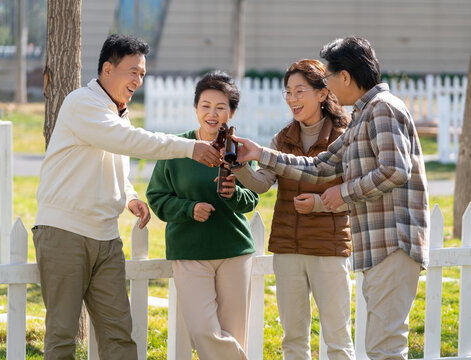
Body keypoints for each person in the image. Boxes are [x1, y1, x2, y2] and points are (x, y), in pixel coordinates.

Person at [232, 37, 429, 360]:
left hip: (393, 243)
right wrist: (258, 153)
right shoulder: (363, 116)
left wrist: (342, 193)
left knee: (386, 349)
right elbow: (320, 166)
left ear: (345, 78)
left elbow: (395, 169)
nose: (329, 87)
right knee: (382, 346)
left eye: (329, 79)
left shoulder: (382, 109)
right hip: (380, 245)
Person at [32, 34, 220, 360]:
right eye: (132, 71)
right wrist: (190, 148)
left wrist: (130, 196)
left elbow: (112, 158)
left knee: (119, 337)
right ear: (107, 69)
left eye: (142, 73)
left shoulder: (117, 111)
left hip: (106, 237)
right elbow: (128, 141)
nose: (138, 80)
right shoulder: (82, 103)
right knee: (62, 336)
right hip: (65, 233)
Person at [232, 59, 354, 359]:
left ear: (322, 94)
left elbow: (358, 190)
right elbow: (261, 183)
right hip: (288, 249)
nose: (292, 99)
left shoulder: (345, 136)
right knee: (293, 339)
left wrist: (318, 205)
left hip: (329, 247)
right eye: (288, 92)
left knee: (337, 339)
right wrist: (238, 167)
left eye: (300, 91)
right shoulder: (283, 138)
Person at [146, 70, 259, 360]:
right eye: (205, 105)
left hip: (234, 251)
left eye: (221, 107)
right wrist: (188, 209)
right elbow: (157, 197)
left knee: (234, 335)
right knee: (205, 332)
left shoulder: (238, 150)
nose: (212, 113)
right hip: (190, 252)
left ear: (231, 113)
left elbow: (252, 199)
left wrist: (233, 193)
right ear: (196, 108)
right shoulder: (178, 149)